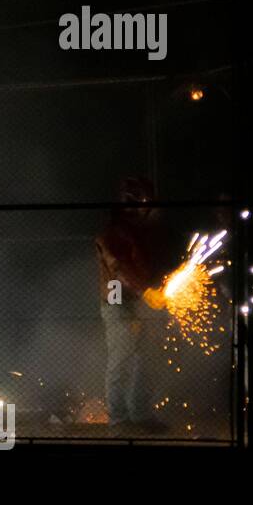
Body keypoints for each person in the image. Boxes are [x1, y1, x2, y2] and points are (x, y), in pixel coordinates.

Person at [95, 176, 173, 430]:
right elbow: (119, 269)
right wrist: (146, 292)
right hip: (118, 301)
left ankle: (140, 415)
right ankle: (118, 420)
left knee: (145, 360)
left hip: (137, 301)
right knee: (121, 360)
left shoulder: (140, 232)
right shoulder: (115, 233)